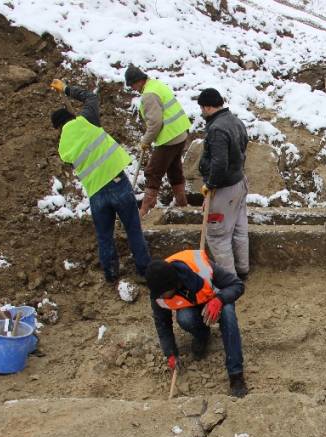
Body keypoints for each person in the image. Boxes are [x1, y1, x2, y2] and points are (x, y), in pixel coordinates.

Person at [49, 79, 151, 283]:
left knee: (104, 235)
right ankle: (144, 270)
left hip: (96, 192)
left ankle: (111, 274)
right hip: (117, 182)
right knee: (132, 228)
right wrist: (67, 89)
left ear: (58, 128)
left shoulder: (63, 146)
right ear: (72, 116)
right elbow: (91, 97)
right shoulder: (86, 120)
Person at [146, 249, 247, 397]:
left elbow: (237, 285)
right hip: (194, 308)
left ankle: (236, 375)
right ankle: (202, 335)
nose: (160, 297)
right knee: (185, 318)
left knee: (228, 314)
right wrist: (171, 353)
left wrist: (219, 300)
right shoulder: (158, 291)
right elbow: (162, 324)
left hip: (216, 301)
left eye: (162, 293)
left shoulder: (201, 268)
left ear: (172, 285)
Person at [124, 65, 192, 217]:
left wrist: (145, 141)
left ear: (138, 81)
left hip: (169, 137)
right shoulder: (156, 85)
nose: (133, 89)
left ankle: (145, 209)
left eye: (132, 85)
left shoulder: (148, 95)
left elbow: (155, 123)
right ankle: (182, 203)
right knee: (174, 169)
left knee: (153, 172)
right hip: (180, 133)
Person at [197, 88, 250, 279]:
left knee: (217, 235)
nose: (202, 112)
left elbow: (219, 163)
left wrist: (210, 184)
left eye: (202, 108)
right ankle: (242, 270)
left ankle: (230, 279)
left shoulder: (217, 129)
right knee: (238, 228)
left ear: (208, 107)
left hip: (224, 188)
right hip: (239, 182)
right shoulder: (235, 121)